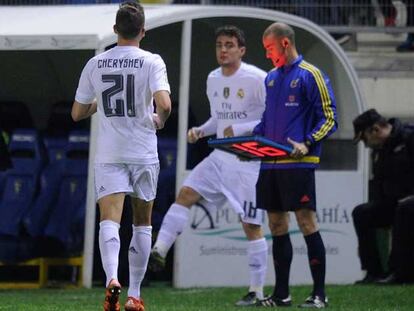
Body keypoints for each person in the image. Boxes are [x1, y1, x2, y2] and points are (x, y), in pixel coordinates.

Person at [149, 25, 269, 307]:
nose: (223, 50)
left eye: (229, 45)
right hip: (219, 156)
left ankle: (257, 290)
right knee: (185, 194)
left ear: (242, 50)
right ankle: (159, 250)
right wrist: (201, 131)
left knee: (250, 224)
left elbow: (269, 120)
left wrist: (238, 128)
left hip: (246, 159)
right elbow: (218, 119)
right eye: (219, 45)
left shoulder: (257, 79)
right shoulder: (213, 78)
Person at [71, 1, 172, 311]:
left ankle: (111, 279)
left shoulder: (96, 63)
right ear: (143, 31)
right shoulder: (152, 61)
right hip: (142, 151)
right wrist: (159, 121)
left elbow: (77, 113)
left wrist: (100, 103)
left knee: (110, 221)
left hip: (110, 153)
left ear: (115, 30)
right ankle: (135, 294)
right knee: (142, 224)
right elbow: (164, 104)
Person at [254, 22, 337, 308]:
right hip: (270, 164)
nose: (267, 55)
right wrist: (250, 140)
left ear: (285, 44)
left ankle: (319, 294)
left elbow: (329, 118)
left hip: (298, 164)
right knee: (276, 225)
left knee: (305, 222)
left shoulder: (311, 75)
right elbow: (267, 120)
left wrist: (308, 141)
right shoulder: (271, 78)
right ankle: (281, 294)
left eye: (269, 48)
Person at [352, 109, 414, 284]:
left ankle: (400, 272)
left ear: (375, 130)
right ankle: (374, 272)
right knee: (362, 213)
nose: (365, 144)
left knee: (404, 209)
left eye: (364, 138)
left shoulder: (409, 138)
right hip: (395, 203)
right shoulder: (379, 152)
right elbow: (379, 185)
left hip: (410, 203)